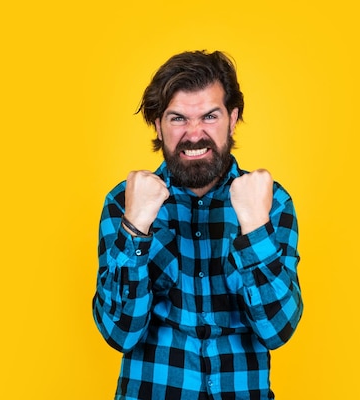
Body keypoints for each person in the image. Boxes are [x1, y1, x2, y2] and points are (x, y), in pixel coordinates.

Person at [92, 50, 303, 400]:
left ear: (232, 119)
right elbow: (120, 334)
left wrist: (254, 225)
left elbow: (278, 330)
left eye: (209, 116)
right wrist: (136, 227)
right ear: (157, 125)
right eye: (177, 118)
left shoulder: (271, 202)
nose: (194, 134)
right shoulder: (123, 203)